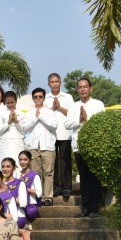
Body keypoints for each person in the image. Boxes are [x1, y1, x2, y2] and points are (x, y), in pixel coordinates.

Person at [64, 76, 106, 218]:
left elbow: (102, 124)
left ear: (90, 89)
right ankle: (85, 208)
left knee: (94, 177)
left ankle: (95, 209)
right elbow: (67, 124)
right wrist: (79, 120)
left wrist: (88, 120)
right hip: (79, 146)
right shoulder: (73, 106)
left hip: (94, 146)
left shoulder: (98, 104)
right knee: (84, 179)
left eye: (85, 87)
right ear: (77, 90)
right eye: (80, 87)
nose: (82, 89)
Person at [20, 87, 58, 206]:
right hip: (33, 146)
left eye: (40, 97)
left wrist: (41, 116)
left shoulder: (49, 112)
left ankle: (48, 197)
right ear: (32, 98)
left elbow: (54, 125)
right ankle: (36, 196)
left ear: (44, 98)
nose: (38, 99)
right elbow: (24, 128)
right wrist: (35, 118)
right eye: (35, 97)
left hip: (47, 145)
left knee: (48, 172)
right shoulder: (29, 113)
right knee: (35, 173)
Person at [46, 73, 74, 202]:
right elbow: (44, 114)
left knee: (65, 161)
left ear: (60, 82)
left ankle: (66, 188)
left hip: (64, 133)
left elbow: (72, 113)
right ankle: (56, 188)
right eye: (52, 82)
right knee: (53, 163)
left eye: (57, 81)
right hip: (50, 134)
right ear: (49, 84)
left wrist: (59, 107)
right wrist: (52, 108)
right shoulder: (45, 98)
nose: (55, 84)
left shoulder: (67, 97)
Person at [1, 157, 31, 240]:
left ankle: (21, 231)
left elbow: (23, 203)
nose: (5, 169)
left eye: (8, 166)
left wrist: (8, 193)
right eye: (3, 167)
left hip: (17, 215)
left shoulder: (19, 183)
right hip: (2, 215)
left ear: (13, 168)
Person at [0, 90, 25, 168]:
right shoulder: (1, 114)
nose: (10, 105)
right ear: (5, 102)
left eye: (12, 102)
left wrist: (16, 121)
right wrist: (8, 122)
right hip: (5, 142)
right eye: (8, 103)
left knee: (18, 165)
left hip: (18, 141)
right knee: (5, 164)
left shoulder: (21, 114)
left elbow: (24, 130)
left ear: (16, 101)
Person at [18, 150, 43, 225]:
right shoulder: (17, 174)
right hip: (19, 203)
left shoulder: (34, 175)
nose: (22, 162)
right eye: (20, 159)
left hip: (30, 206)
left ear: (30, 161)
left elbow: (39, 193)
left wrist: (24, 188)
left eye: (25, 159)